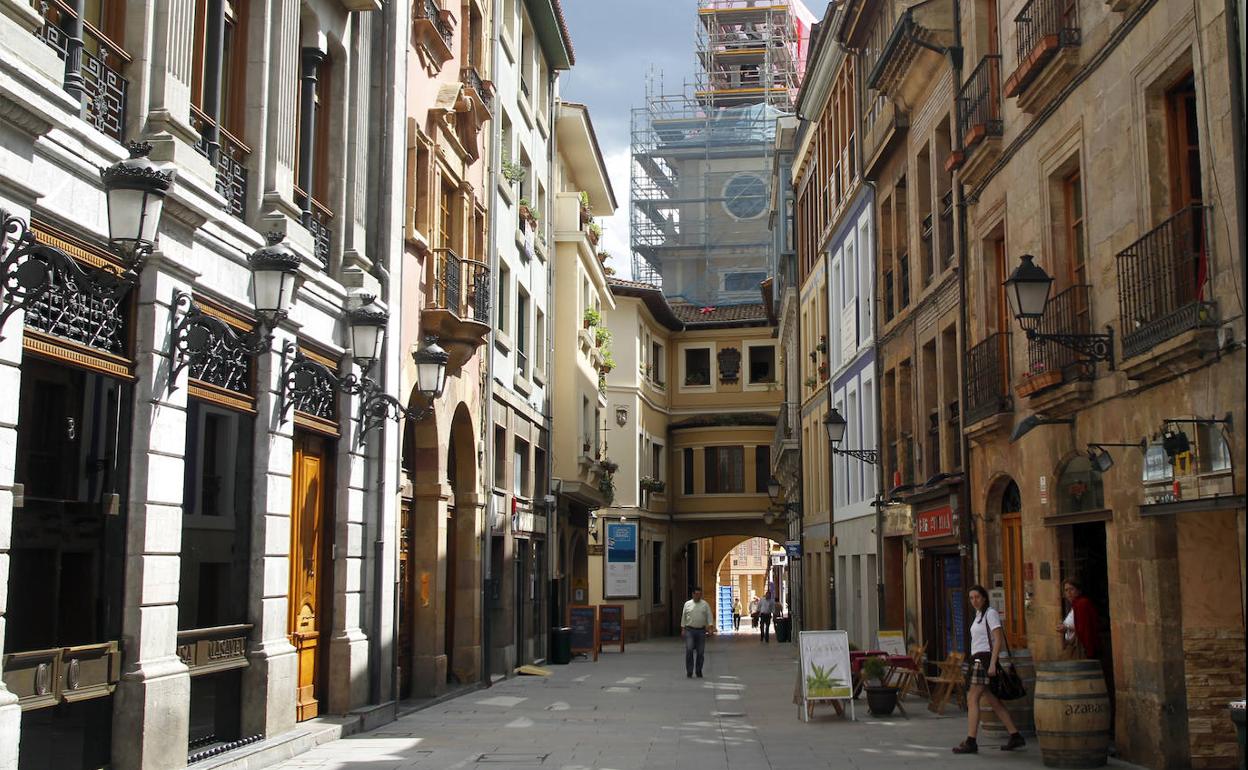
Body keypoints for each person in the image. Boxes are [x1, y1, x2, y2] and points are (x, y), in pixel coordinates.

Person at [953, 585, 1025, 754]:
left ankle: (971, 741)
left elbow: (998, 639)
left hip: (984, 660)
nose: (974, 601)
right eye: (971, 598)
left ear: (984, 597)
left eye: (977, 597)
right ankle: (1015, 735)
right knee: (993, 701)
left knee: (972, 699)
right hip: (978, 659)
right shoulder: (979, 615)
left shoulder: (990, 613)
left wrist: (993, 663)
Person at [1056, 577, 1100, 659]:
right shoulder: (1075, 606)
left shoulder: (1082, 604)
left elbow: (1084, 629)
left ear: (1079, 591)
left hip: (1081, 647)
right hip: (1074, 645)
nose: (1069, 592)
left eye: (1071, 589)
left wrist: (1066, 628)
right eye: (1066, 590)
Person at [680, 587, 715, 678]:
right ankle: (690, 671)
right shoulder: (687, 604)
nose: (698, 596)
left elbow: (709, 616)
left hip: (701, 631)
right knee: (689, 650)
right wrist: (683, 629)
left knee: (700, 652)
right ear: (693, 594)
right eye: (696, 594)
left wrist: (710, 627)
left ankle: (699, 670)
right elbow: (683, 617)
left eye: (700, 594)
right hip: (689, 630)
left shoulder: (705, 604)